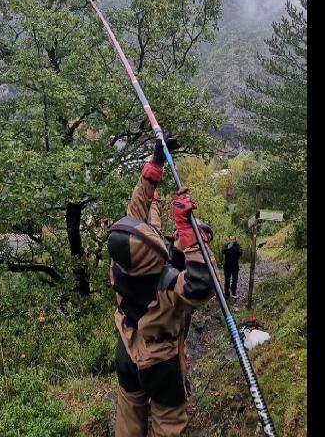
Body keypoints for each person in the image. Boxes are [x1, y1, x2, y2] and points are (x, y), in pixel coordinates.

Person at [107, 136, 217, 437]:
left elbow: (135, 216)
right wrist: (190, 238)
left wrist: (153, 170)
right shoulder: (167, 287)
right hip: (159, 364)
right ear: (155, 255)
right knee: (168, 424)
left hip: (127, 350)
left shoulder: (121, 265)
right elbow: (203, 284)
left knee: (129, 416)